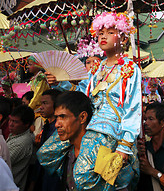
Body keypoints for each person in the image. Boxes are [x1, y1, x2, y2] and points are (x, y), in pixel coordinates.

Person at [44, 12, 141, 190]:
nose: (103, 36)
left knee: (82, 176)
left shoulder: (130, 68)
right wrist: (61, 83)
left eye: (110, 32)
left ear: (124, 37)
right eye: (101, 32)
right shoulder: (97, 67)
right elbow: (81, 95)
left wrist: (125, 145)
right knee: (45, 154)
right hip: (87, 123)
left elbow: (133, 108)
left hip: (110, 129)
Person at [37, 91, 93, 191]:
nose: (57, 124)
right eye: (56, 117)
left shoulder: (97, 154)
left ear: (82, 117)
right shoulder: (65, 154)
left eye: (63, 117)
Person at [31, 89, 62, 191]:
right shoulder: (47, 126)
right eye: (41, 103)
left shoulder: (60, 130)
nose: (41, 107)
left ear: (56, 105)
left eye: (45, 103)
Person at [6, 105, 34, 191]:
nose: (10, 124)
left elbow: (3, 162)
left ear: (26, 124)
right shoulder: (15, 134)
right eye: (10, 120)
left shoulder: (22, 142)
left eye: (15, 122)